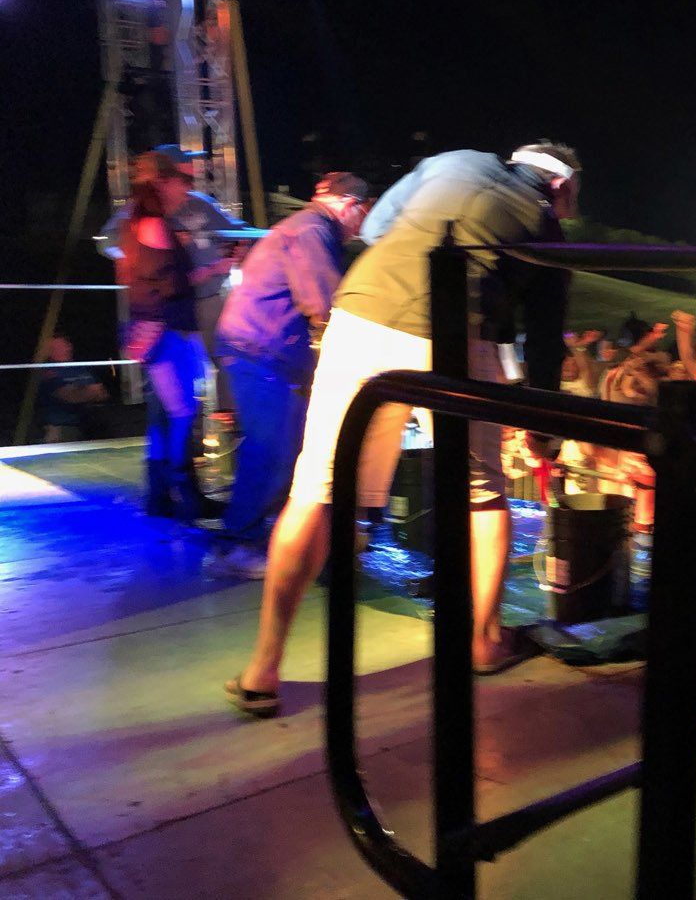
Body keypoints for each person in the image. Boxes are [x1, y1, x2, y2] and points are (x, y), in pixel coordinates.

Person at [226, 143, 578, 717]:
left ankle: (262, 670)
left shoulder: (454, 160)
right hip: (454, 331)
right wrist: (544, 430)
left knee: (313, 491)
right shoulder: (547, 229)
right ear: (561, 187)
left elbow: (378, 225)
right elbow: (543, 340)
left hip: (361, 314)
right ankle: (484, 641)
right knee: (482, 492)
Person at [203, 172, 371, 579]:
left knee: (289, 447)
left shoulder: (306, 226)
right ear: (351, 206)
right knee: (270, 449)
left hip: (262, 351)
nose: (360, 227)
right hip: (260, 352)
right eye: (362, 216)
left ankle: (277, 533)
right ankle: (235, 546)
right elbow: (324, 303)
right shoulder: (313, 231)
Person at [97, 144, 252, 409]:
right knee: (174, 378)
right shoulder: (143, 211)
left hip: (207, 299)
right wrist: (140, 263)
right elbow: (106, 241)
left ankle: (224, 424)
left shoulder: (199, 203)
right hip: (170, 306)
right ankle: (181, 435)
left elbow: (235, 229)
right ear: (164, 175)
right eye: (183, 169)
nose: (190, 174)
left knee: (222, 361)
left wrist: (246, 243)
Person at [119, 151, 212, 522]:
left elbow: (152, 281)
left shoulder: (135, 221)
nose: (185, 190)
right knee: (183, 412)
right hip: (166, 331)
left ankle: (160, 496)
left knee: (163, 417)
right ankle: (184, 494)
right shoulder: (154, 225)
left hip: (152, 332)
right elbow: (171, 285)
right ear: (163, 182)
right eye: (182, 181)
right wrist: (212, 267)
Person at [37, 331, 110, 442]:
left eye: (60, 347)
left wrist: (84, 391)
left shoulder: (81, 368)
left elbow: (103, 394)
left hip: (88, 427)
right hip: (61, 429)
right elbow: (69, 396)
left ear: (69, 347)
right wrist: (89, 391)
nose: (57, 351)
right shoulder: (49, 371)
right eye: (53, 348)